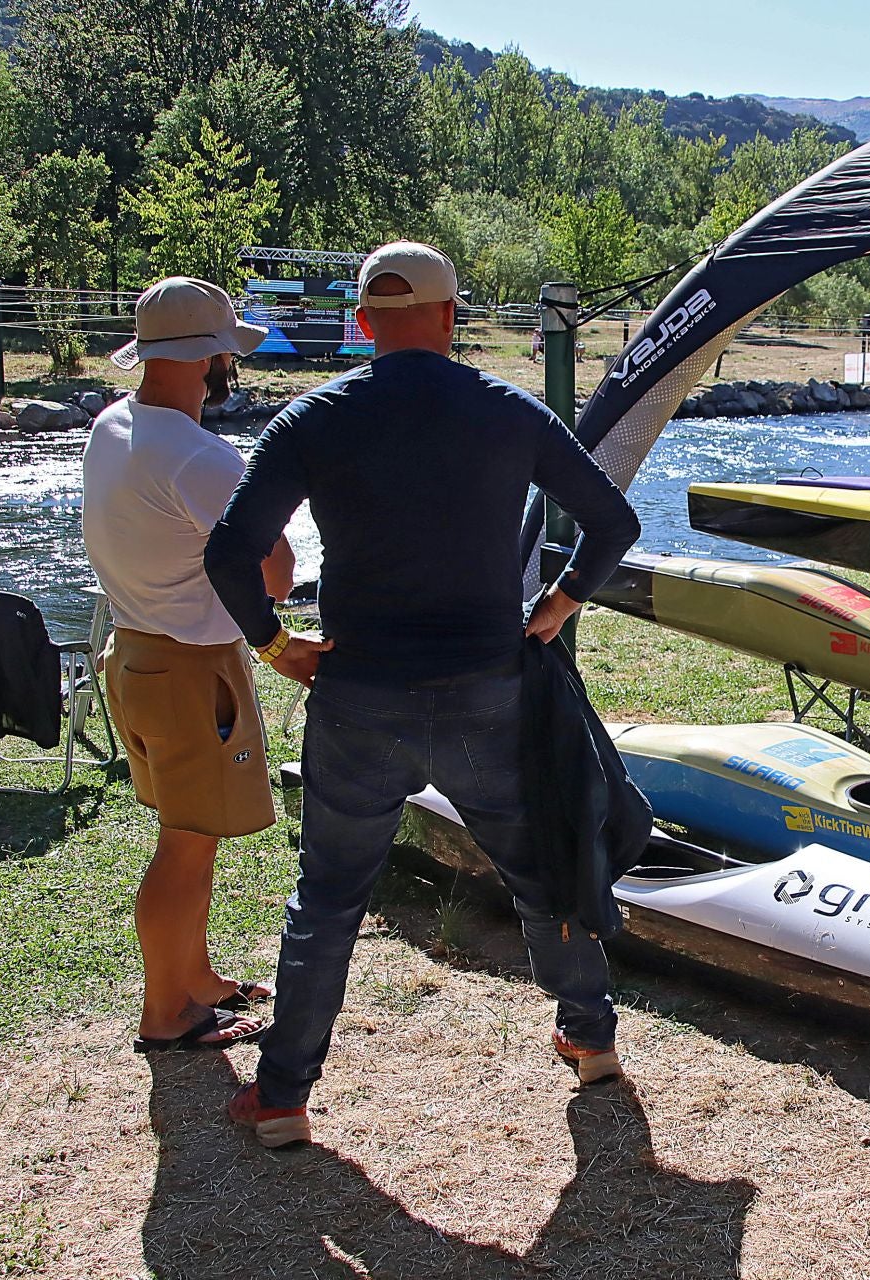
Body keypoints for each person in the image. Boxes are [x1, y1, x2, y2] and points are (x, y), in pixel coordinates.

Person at [204, 242, 641, 1148]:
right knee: (539, 869)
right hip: (490, 686)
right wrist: (557, 603)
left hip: (360, 690)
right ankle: (589, 1039)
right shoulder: (506, 411)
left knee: (327, 897)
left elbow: (227, 551)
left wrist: (277, 644)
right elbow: (613, 520)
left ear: (363, 323)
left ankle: (283, 1093)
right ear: (451, 317)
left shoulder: (313, 420)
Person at [82, 278, 295, 1052]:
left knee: (187, 834)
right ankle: (167, 1013)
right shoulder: (200, 455)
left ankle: (194, 979)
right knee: (185, 844)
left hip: (136, 655)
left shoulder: (113, 424)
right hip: (192, 670)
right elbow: (276, 572)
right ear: (209, 357)